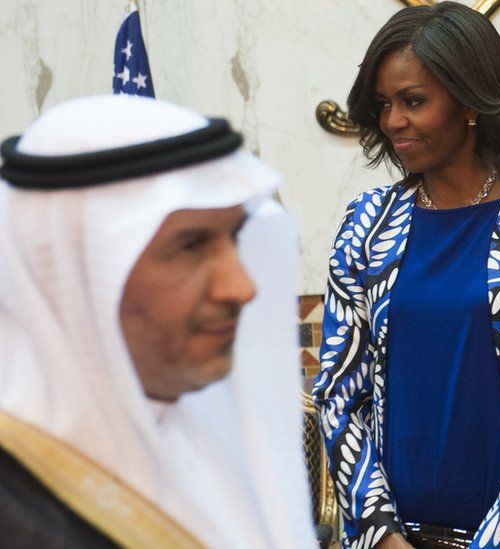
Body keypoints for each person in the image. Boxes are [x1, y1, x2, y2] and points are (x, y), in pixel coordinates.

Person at [311, 3, 500, 548]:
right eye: (384, 105)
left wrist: (494, 540)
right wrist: (381, 534)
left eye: (413, 101)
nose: (393, 122)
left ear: (471, 102)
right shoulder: (367, 223)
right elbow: (339, 392)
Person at [0, 95, 317, 548]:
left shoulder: (204, 425)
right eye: (190, 247)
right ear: (77, 271)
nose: (241, 287)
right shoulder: (18, 501)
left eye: (235, 236)